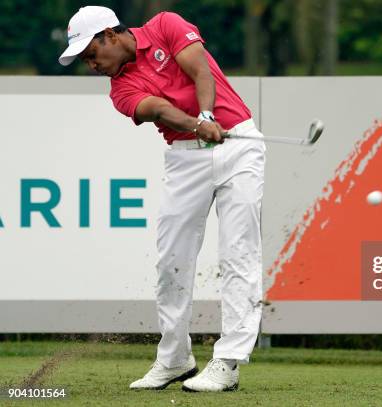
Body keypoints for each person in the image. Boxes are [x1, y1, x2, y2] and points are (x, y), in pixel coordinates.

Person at [58, 6, 265, 392]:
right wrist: (196, 124)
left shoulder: (166, 25)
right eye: (85, 59)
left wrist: (207, 114)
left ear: (111, 35)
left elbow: (200, 70)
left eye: (92, 53)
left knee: (239, 252)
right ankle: (174, 358)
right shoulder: (120, 90)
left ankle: (229, 361)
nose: (91, 64)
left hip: (239, 144)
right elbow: (159, 109)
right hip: (186, 157)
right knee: (172, 259)